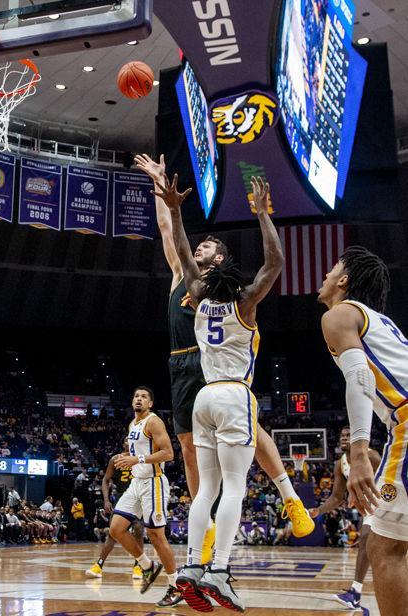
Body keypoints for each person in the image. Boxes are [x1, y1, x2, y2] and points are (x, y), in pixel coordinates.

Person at [134, 154, 313, 564]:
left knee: (252, 426)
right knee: (189, 450)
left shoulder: (219, 292)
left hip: (211, 362)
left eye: (207, 245)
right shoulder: (185, 277)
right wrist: (163, 191)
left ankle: (289, 496)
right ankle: (207, 528)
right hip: (180, 364)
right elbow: (169, 228)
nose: (199, 246)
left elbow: (270, 265)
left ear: (218, 260)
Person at [156, 174, 283, 612]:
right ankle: (221, 571)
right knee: (234, 487)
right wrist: (263, 214)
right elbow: (275, 263)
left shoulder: (196, 295)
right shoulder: (245, 302)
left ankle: (192, 566)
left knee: (205, 488)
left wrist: (175, 208)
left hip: (202, 399)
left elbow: (187, 262)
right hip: (233, 396)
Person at [318, 245, 408, 616]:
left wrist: (358, 453)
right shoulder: (380, 322)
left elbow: (358, 377)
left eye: (331, 271)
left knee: (387, 547)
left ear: (344, 281)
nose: (323, 277)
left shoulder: (340, 313)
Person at [109, 386, 181, 608]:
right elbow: (137, 454)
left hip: (154, 483)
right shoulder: (133, 424)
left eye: (143, 397)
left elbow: (168, 453)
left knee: (156, 535)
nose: (138, 399)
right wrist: (127, 457)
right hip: (136, 482)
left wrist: (136, 459)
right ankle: (147, 566)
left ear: (150, 403)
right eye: (136, 396)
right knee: (116, 529)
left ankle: (175, 586)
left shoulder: (153, 421)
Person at [309, 426, 381, 609]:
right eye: (342, 435)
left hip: (386, 503)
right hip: (371, 509)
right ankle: (355, 594)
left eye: (349, 435)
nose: (344, 438)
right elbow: (336, 497)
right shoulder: (340, 464)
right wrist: (319, 510)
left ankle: (356, 593)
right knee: (366, 539)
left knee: (370, 541)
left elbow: (388, 479)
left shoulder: (371, 456)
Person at [85, 440, 145, 581]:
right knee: (113, 532)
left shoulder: (141, 458)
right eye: (125, 439)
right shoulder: (115, 459)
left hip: (138, 497)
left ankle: (139, 566)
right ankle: (98, 566)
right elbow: (106, 480)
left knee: (137, 529)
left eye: (131, 439)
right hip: (121, 498)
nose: (128, 441)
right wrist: (106, 500)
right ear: (123, 444)